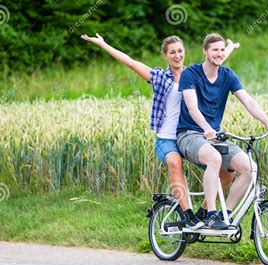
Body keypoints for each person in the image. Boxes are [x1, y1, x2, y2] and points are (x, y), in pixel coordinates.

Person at [81, 33, 239, 229]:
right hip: (167, 139)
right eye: (172, 52)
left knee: (227, 172)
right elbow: (131, 63)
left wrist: (230, 47)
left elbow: (216, 59)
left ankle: (204, 212)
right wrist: (103, 44)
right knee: (174, 162)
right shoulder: (159, 76)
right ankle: (188, 214)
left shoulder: (194, 74)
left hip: (192, 136)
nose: (177, 55)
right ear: (166, 55)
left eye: (180, 51)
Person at [177, 33, 268, 230]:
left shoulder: (228, 76)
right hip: (189, 133)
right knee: (214, 159)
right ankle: (210, 214)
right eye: (215, 49)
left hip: (215, 135)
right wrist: (206, 128)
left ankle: (226, 215)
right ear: (205, 52)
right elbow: (192, 107)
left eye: (222, 50)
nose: (219, 53)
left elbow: (248, 101)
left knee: (250, 169)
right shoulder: (190, 73)